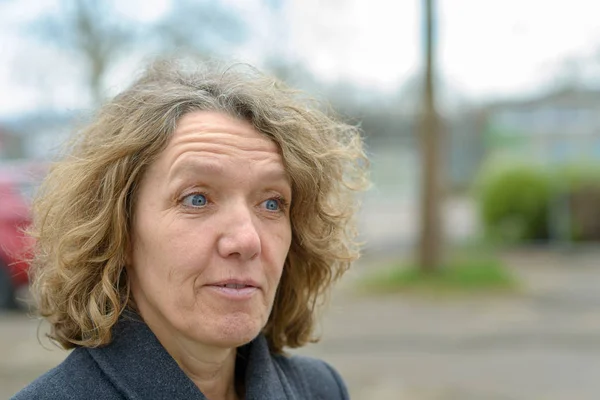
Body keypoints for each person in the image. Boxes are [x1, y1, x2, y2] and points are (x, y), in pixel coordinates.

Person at [12, 59, 369, 400]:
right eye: (197, 199)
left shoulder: (320, 390)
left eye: (272, 203)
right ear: (118, 233)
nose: (247, 240)